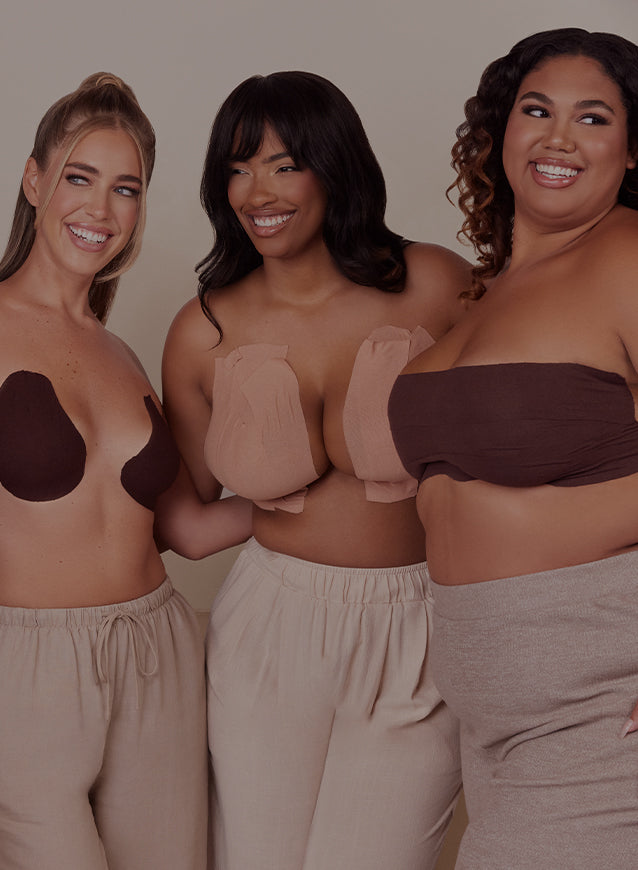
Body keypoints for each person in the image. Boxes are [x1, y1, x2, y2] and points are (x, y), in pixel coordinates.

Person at [162, 71, 470, 870]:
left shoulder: (439, 283)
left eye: (284, 163)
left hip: (421, 629)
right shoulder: (203, 330)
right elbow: (188, 523)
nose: (255, 189)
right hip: (271, 627)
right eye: (236, 166)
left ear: (336, 166)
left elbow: (521, 436)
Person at [388, 27, 638, 868]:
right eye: (537, 109)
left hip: (602, 708)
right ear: (501, 133)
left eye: (594, 118)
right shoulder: (483, 291)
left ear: (633, 151)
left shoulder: (628, 254)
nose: (559, 136)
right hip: (487, 718)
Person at [0, 72, 250, 870]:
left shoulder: (123, 355)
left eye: (126, 188)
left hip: (159, 651)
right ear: (34, 180)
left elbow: (188, 529)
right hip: (26, 672)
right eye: (79, 177)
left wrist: (333, 493)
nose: (100, 210)